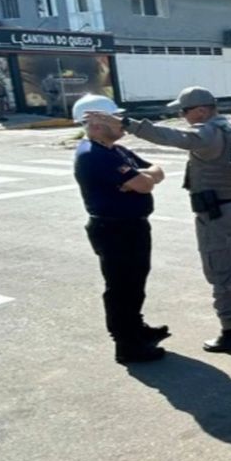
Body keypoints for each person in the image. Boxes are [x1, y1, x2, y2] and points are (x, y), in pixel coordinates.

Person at [93, 86, 231, 353]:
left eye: (184, 111)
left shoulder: (207, 133)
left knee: (220, 272)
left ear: (200, 110)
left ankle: (230, 331)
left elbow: (173, 137)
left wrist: (129, 125)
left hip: (216, 211)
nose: (183, 116)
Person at [72, 94, 168, 364]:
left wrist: (141, 178)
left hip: (132, 226)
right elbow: (146, 184)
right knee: (121, 287)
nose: (122, 124)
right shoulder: (94, 154)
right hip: (114, 229)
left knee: (135, 284)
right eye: (116, 119)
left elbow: (156, 171)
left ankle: (136, 329)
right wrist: (141, 180)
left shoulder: (115, 150)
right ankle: (126, 344)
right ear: (97, 122)